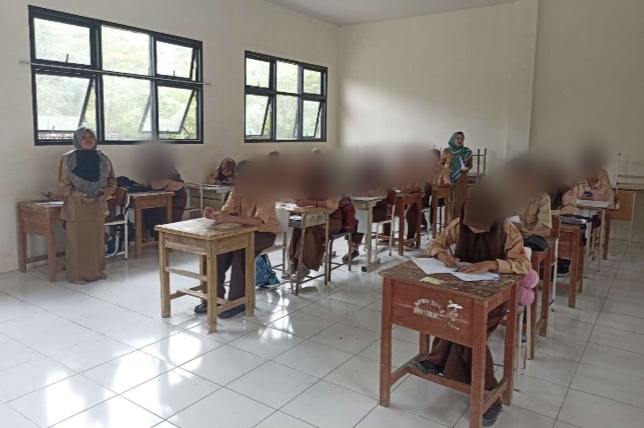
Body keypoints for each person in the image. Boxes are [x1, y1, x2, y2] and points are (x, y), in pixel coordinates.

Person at [412, 194, 531, 427]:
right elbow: (435, 243)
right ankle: (438, 361)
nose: (474, 230)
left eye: (480, 226)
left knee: (470, 334)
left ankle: (489, 395)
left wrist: (492, 264)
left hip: (495, 294)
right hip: (463, 286)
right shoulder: (459, 225)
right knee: (449, 317)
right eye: (471, 226)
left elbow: (523, 265)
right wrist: (443, 256)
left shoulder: (508, 231)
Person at [195, 161, 278, 318]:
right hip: (241, 231)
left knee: (241, 253)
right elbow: (226, 212)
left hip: (264, 233)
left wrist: (230, 218)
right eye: (238, 179)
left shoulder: (264, 193)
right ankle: (213, 298)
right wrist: (213, 214)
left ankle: (237, 301)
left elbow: (258, 221)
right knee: (217, 253)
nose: (240, 183)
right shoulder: (236, 192)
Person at [59, 127, 116, 285]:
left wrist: (105, 193)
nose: (88, 140)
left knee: (96, 243)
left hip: (97, 207)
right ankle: (76, 275)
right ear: (77, 140)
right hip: (76, 209)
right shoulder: (68, 158)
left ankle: (97, 272)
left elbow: (112, 180)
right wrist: (80, 196)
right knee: (77, 245)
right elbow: (64, 185)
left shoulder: (103, 158)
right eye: (84, 137)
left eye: (91, 137)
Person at [288, 155, 342, 280]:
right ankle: (294, 262)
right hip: (310, 217)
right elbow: (292, 198)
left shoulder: (330, 184)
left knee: (312, 229)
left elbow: (333, 204)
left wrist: (309, 202)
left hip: (331, 219)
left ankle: (304, 265)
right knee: (298, 228)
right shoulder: (305, 183)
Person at [141, 146, 187, 239]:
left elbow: (155, 185)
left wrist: (156, 185)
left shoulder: (169, 172)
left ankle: (164, 238)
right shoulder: (156, 172)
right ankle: (154, 237)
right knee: (148, 210)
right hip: (166, 199)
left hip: (176, 200)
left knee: (159, 213)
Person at [442, 132, 473, 219]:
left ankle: (459, 222)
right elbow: (440, 165)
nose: (460, 140)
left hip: (462, 179)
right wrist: (446, 170)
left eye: (462, 139)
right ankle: (450, 222)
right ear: (453, 139)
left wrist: (466, 168)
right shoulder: (447, 151)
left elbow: (470, 165)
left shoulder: (467, 152)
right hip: (449, 179)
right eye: (458, 138)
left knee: (460, 201)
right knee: (450, 201)